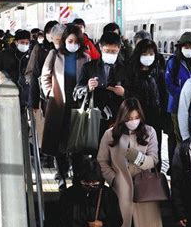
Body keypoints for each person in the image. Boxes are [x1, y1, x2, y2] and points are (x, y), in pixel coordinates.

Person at [97, 98, 165, 227]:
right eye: (129, 118)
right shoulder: (110, 134)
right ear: (122, 117)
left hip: (145, 189)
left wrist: (136, 157)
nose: (133, 121)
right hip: (120, 191)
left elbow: (154, 160)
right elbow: (102, 161)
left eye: (136, 117)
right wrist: (113, 179)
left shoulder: (150, 131)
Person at [41, 24, 90, 191]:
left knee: (77, 145)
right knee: (60, 144)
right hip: (59, 105)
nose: (73, 44)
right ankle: (61, 177)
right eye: (70, 40)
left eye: (76, 41)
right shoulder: (54, 54)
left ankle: (77, 178)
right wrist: (49, 93)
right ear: (64, 40)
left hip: (78, 107)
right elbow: (45, 75)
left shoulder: (85, 57)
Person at [39, 157, 123, 227]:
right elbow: (59, 217)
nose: (90, 187)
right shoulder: (69, 194)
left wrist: (102, 224)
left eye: (95, 184)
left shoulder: (107, 194)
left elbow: (117, 221)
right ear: (79, 180)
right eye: (86, 184)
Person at [74, 32, 126, 141]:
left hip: (120, 117)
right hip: (96, 117)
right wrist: (87, 87)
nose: (110, 54)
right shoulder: (89, 67)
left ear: (119, 48)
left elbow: (136, 93)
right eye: (107, 51)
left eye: (114, 51)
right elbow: (76, 92)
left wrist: (124, 93)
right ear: (100, 47)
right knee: (97, 151)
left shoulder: (126, 68)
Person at [124, 39, 167, 170]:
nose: (148, 57)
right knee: (135, 149)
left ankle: (154, 179)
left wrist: (163, 115)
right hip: (136, 118)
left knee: (154, 149)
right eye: (145, 53)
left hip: (155, 118)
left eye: (151, 54)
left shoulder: (158, 72)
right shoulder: (130, 71)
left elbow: (163, 94)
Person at [0, 30, 32, 106]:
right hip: (9, 93)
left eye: (27, 43)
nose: (25, 45)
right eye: (22, 42)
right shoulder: (5, 55)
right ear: (16, 42)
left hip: (27, 94)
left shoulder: (31, 55)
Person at [26, 20, 59, 111]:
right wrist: (34, 102)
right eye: (49, 32)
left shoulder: (63, 50)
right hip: (46, 93)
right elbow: (33, 74)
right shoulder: (39, 49)